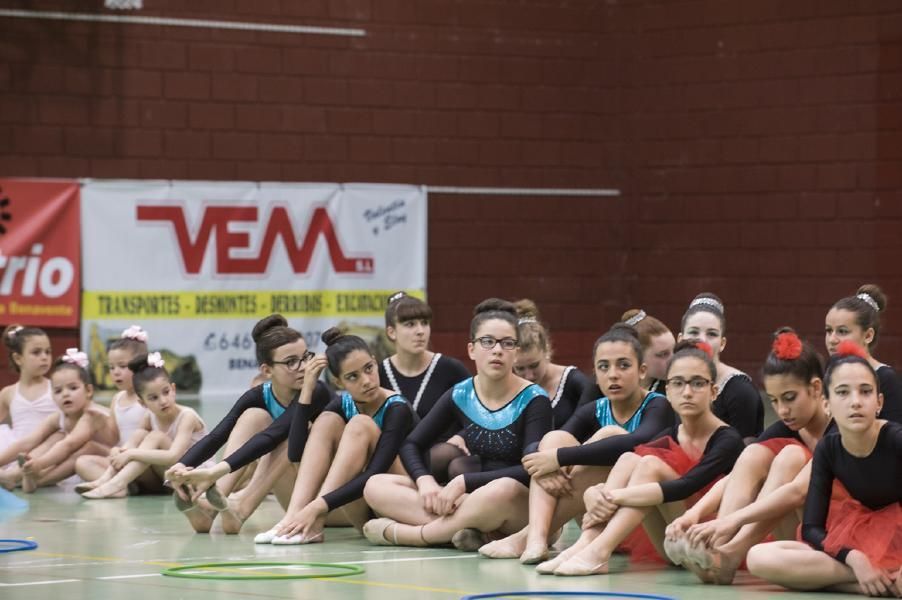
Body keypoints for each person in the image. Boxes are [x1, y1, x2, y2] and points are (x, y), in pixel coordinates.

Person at [535, 340, 745, 576]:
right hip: (673, 540)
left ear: (713, 391)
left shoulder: (727, 439)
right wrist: (594, 493)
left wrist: (610, 496)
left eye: (697, 383)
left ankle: (599, 551)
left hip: (708, 542)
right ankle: (587, 543)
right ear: (668, 390)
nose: (687, 392)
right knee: (628, 459)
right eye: (678, 383)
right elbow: (629, 470)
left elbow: (685, 487)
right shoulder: (670, 435)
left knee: (650, 464)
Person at [360, 298, 553, 549]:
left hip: (519, 505)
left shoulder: (534, 399)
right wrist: (425, 481)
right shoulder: (461, 394)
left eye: (507, 343)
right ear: (472, 349)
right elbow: (411, 443)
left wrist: (463, 483)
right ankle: (472, 530)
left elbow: (530, 470)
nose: (497, 350)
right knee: (376, 485)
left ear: (515, 353)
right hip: (471, 500)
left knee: (500, 489)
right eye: (487, 342)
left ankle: (413, 534)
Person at [479, 323, 675, 563]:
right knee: (554, 439)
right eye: (604, 367)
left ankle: (528, 534)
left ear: (642, 370)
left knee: (609, 436)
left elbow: (636, 442)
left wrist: (559, 459)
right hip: (596, 512)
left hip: (637, 519)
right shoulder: (595, 408)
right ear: (596, 372)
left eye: (623, 365)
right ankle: (536, 538)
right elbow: (543, 444)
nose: (613, 374)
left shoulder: (659, 405)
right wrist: (547, 462)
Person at [665, 328, 833, 584]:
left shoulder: (838, 429)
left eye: (789, 398)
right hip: (798, 524)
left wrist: (733, 520)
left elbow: (798, 491)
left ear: (816, 387)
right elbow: (737, 474)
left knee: (790, 456)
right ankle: (717, 548)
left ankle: (731, 553)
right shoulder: (789, 426)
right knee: (754, 452)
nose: (782, 410)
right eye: (774, 400)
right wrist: (694, 514)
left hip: (832, 530)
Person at [746, 341, 902, 597]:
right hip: (861, 541)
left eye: (865, 392)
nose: (855, 402)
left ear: (879, 402)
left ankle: (876, 580)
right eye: (843, 392)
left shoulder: (895, 439)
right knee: (758, 557)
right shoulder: (828, 448)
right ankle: (875, 582)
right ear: (827, 403)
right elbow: (812, 528)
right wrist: (855, 560)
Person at [164, 314, 332, 533]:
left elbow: (273, 436)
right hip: (294, 494)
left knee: (295, 431)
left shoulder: (316, 391)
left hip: (327, 501)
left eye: (305, 357)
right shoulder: (258, 395)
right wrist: (182, 465)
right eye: (291, 362)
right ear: (267, 370)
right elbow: (217, 436)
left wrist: (217, 470)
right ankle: (213, 505)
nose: (303, 367)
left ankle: (241, 510)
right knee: (254, 416)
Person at [250, 328, 415, 545]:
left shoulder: (397, 408)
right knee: (327, 420)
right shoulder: (343, 404)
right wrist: (307, 388)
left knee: (360, 424)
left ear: (376, 362)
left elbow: (375, 472)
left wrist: (318, 505)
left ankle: (313, 518)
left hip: (398, 501)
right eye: (353, 377)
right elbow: (296, 453)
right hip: (363, 512)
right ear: (339, 383)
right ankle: (292, 517)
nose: (366, 381)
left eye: (368, 368)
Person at [82, 352, 208, 498]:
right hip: (170, 477)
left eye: (166, 392)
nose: (163, 401)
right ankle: (106, 479)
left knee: (155, 437)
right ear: (142, 403)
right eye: (153, 398)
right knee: (141, 435)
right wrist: (120, 451)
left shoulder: (187, 416)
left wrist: (130, 454)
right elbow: (134, 440)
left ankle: (115, 484)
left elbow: (173, 456)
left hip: (195, 478)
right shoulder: (149, 416)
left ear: (173, 389)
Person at [378, 292, 470, 482]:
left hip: (439, 453)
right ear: (391, 332)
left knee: (450, 456)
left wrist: (462, 436)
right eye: (410, 324)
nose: (420, 331)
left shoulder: (450, 368)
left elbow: (481, 413)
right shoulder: (379, 373)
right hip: (392, 458)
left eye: (424, 323)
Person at [0, 348, 117, 492]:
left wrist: (40, 464)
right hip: (82, 461)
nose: (65, 394)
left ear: (88, 391)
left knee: (86, 447)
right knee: (56, 437)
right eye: (58, 391)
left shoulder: (92, 414)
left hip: (111, 459)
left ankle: (38, 479)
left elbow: (69, 445)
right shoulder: (59, 417)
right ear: (52, 396)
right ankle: (16, 474)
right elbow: (29, 441)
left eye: (73, 388)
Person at [75, 325, 150, 492]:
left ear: (140, 365)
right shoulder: (117, 399)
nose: (115, 372)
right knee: (82, 462)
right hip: (124, 460)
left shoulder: (148, 397)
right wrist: (99, 421)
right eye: (111, 367)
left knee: (136, 458)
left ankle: (119, 483)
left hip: (145, 463)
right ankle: (124, 486)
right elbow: (113, 437)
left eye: (122, 366)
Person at [679, 293, 763, 439]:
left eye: (711, 334)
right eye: (693, 332)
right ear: (680, 339)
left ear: (722, 343)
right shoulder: (672, 381)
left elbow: (744, 451)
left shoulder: (740, 391)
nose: (702, 340)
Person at [825, 284, 902, 423]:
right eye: (829, 330)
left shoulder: (886, 379)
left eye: (842, 331)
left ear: (868, 335)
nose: (832, 339)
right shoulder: (829, 371)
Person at [512, 299, 591, 427]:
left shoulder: (573, 382)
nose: (529, 376)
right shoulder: (506, 388)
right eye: (520, 369)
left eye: (534, 365)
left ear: (546, 350)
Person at [576, 309, 675, 405]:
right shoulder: (598, 386)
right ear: (638, 356)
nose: (674, 360)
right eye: (662, 355)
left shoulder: (673, 386)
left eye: (675, 350)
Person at [0, 325, 55, 475]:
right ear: (18, 358)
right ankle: (11, 473)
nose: (44, 357)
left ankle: (12, 476)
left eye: (48, 352)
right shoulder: (8, 393)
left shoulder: (57, 388)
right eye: (36, 352)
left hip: (47, 452)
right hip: (16, 453)